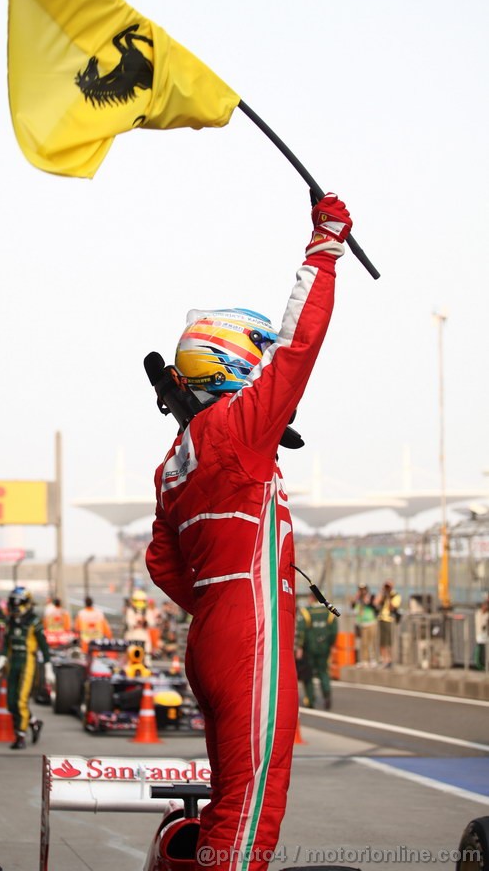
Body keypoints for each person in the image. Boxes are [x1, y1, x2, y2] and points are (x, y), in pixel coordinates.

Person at [145, 193, 353, 871]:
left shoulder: (174, 461)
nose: (262, 361)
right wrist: (324, 246)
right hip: (248, 634)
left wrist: (219, 597)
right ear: (230, 360)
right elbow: (298, 344)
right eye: (251, 352)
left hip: (210, 634)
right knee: (249, 810)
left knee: (228, 802)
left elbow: (162, 562)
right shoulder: (239, 429)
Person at [0, 587, 51, 750]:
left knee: (21, 701)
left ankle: (20, 736)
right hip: (13, 663)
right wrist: (1, 660)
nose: (15, 606)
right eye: (13, 602)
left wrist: (48, 668)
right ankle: (34, 722)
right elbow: (6, 645)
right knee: (11, 703)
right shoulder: (10, 621)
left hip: (28, 663)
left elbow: (44, 647)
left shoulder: (34, 622)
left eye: (18, 602)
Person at [296, 595, 338, 709]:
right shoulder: (329, 612)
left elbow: (301, 630)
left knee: (308, 674)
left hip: (309, 648)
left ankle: (310, 699)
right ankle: (327, 694)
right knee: (323, 671)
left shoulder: (306, 612)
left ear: (310, 598)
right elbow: (334, 631)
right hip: (324, 648)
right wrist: (330, 644)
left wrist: (299, 647)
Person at [375, 580, 401, 668]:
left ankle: (390, 659)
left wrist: (389, 596)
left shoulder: (395, 595)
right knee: (382, 641)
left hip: (389, 620)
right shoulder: (383, 594)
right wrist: (382, 594)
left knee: (389, 641)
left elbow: (392, 607)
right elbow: (376, 603)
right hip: (381, 618)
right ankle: (384, 659)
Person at [351, 583, 378, 667]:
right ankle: (364, 660)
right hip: (362, 624)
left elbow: (375, 607)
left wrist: (368, 601)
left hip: (371, 622)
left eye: (363, 589)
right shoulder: (358, 599)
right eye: (360, 589)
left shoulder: (371, 597)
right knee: (364, 643)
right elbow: (353, 607)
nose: (362, 591)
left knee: (372, 642)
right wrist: (356, 597)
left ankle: (372, 659)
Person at [474, 597, 489, 671]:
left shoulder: (487, 614)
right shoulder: (478, 613)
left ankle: (484, 665)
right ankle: (480, 665)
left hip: (485, 635)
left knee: (485, 650)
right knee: (479, 650)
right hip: (480, 635)